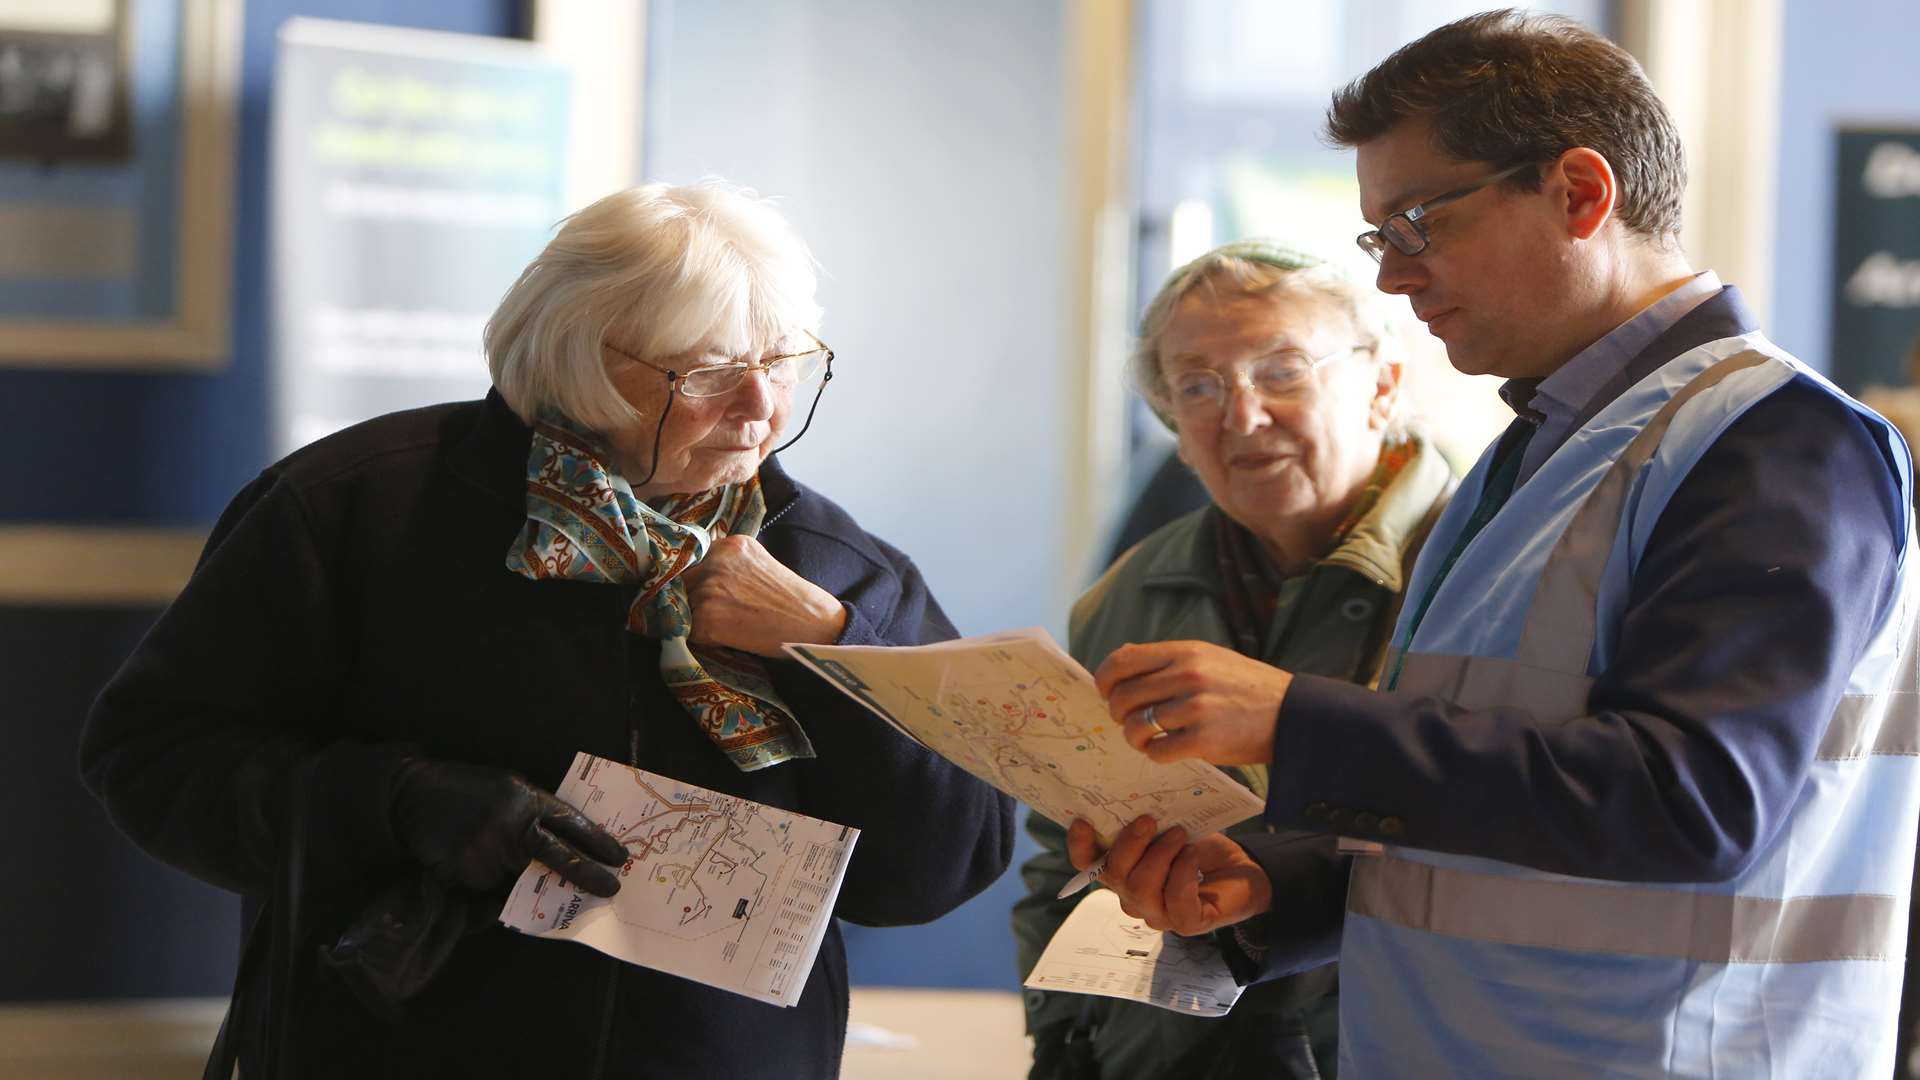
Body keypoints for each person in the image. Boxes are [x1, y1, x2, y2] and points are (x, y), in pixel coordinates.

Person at [1070, 11, 1919, 1077]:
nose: (1393, 277)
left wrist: (1293, 722)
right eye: (1382, 237)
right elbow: (1492, 816)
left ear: (1579, 193)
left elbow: (1691, 799)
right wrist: (1270, 889)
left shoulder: (1771, 436)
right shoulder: (1531, 456)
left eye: (1420, 223)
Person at [80, 182, 1014, 1079]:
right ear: (577, 355)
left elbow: (943, 868)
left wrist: (833, 646)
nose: (762, 408)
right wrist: (400, 804)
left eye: (785, 363)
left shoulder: (834, 566)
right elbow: (152, 758)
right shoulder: (352, 509)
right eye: (713, 372)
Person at [1012, 240, 1455, 1079]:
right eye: (1198, 387)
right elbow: (1055, 855)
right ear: (1176, 430)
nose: (1242, 416)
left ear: (1383, 384)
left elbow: (1488, 834)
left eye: (1283, 370)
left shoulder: (1477, 566)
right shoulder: (1129, 594)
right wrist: (1065, 1044)